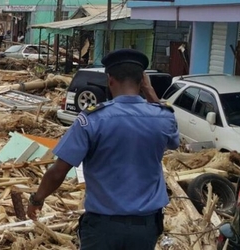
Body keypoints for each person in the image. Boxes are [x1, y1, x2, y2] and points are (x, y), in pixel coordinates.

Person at [26, 49, 179, 250]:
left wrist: (37, 199)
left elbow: (58, 171)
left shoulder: (92, 119)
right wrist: (151, 94)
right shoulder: (163, 117)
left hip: (102, 229)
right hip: (145, 228)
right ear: (143, 80)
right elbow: (174, 142)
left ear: (110, 80)